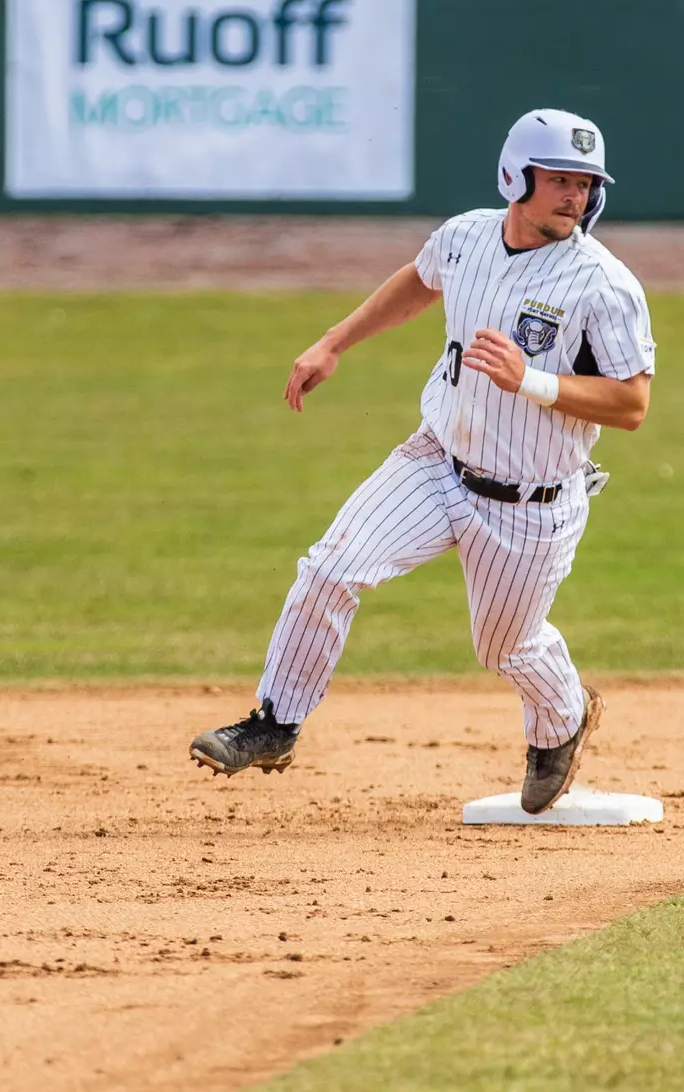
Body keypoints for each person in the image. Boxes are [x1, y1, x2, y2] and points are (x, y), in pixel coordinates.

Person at [190, 108, 657, 814]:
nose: (575, 196)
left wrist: (528, 382)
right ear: (516, 176)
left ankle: (562, 722)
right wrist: (334, 342)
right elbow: (418, 280)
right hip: (435, 461)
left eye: (587, 183)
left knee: (506, 647)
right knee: (329, 568)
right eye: (559, 179)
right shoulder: (466, 236)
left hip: (530, 503)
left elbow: (631, 405)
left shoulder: (603, 284)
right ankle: (274, 724)